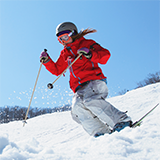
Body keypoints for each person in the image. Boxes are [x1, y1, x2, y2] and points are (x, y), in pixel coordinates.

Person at [40, 22, 132, 137]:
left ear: (72, 34)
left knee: (91, 101)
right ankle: (99, 131)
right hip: (79, 88)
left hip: (94, 81)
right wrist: (47, 61)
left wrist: (90, 54)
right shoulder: (65, 53)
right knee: (77, 109)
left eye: (64, 37)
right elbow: (58, 70)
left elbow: (105, 55)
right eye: (60, 39)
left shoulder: (87, 44)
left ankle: (122, 121)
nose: (63, 41)